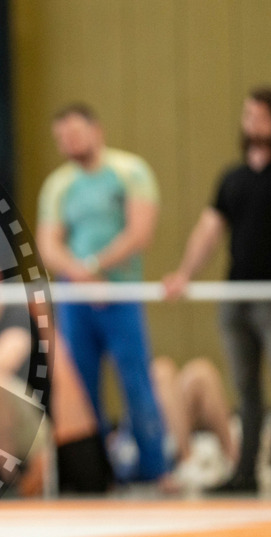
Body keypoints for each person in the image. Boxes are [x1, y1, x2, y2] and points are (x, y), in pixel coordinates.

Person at [164, 87, 271, 494]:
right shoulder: (234, 178)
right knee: (246, 389)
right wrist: (184, 273)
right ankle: (245, 471)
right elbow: (209, 230)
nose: (253, 123)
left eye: (262, 116)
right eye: (249, 115)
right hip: (236, 295)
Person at [36, 103, 167, 484]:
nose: (69, 142)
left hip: (120, 290)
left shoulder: (130, 171)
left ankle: (154, 468)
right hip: (77, 297)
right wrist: (81, 276)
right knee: (81, 383)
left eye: (75, 133)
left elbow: (140, 232)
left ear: (96, 130)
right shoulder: (59, 184)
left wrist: (95, 268)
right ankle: (95, 472)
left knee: (135, 379)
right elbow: (49, 243)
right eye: (61, 137)